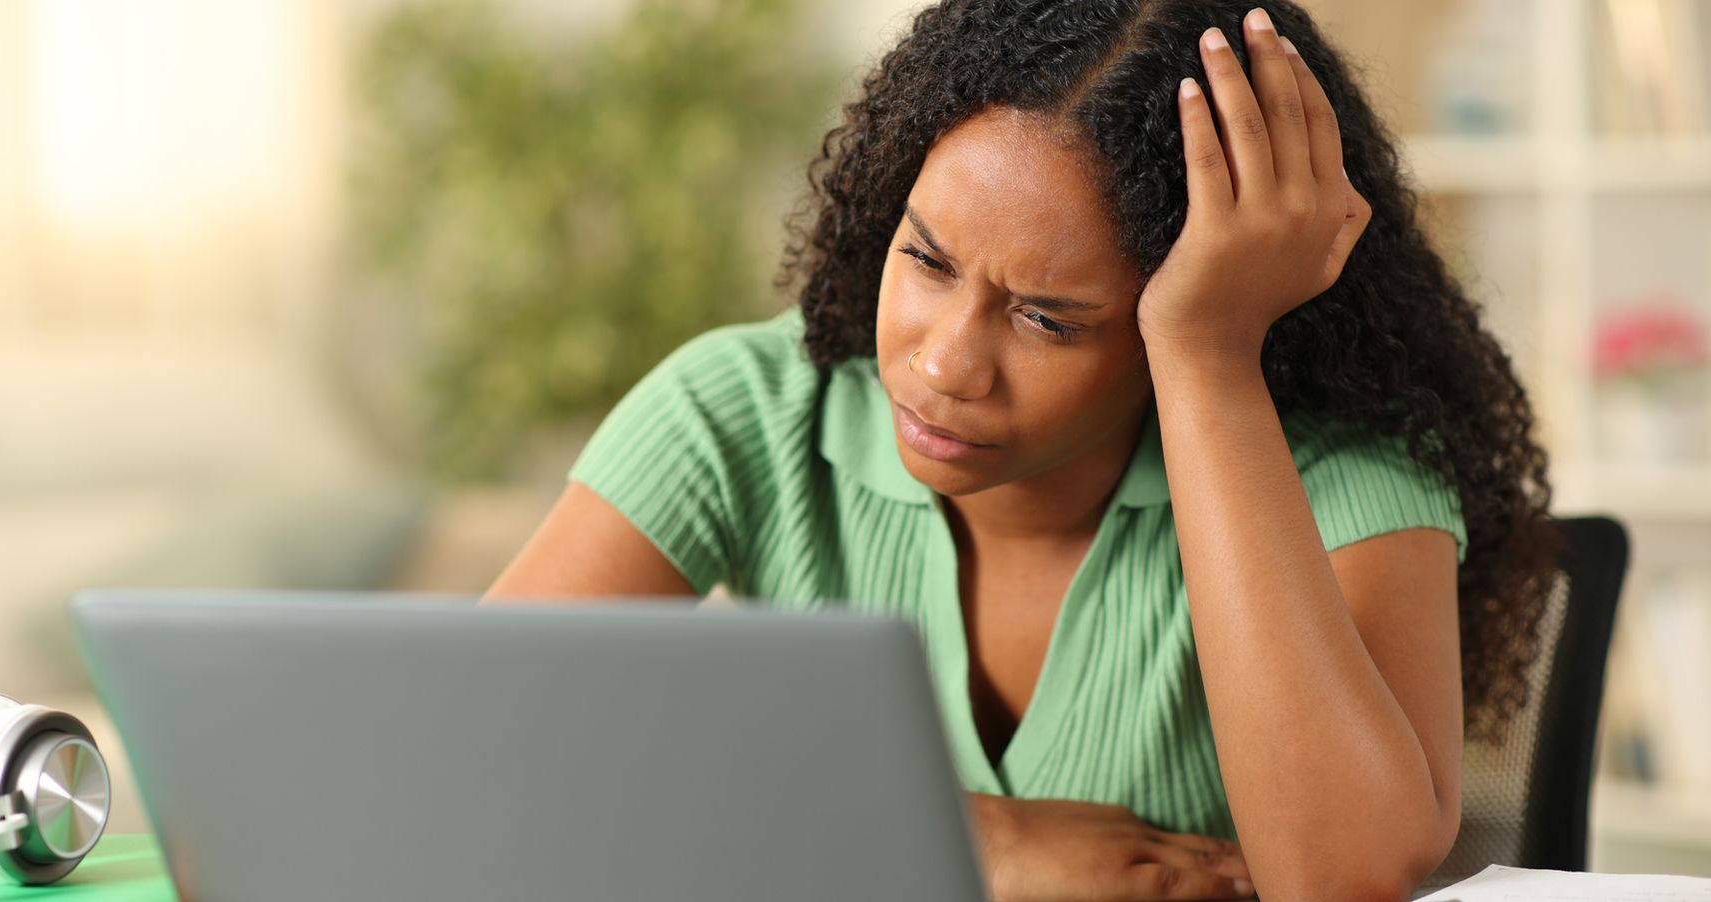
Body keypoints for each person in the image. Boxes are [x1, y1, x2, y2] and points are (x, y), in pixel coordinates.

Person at [485, 1, 1559, 899]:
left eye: (1050, 318)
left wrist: (1208, 354)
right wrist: (979, 839)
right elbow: (468, 747)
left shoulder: (1343, 469)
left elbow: (1351, 878)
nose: (947, 362)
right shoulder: (748, 409)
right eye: (927, 258)